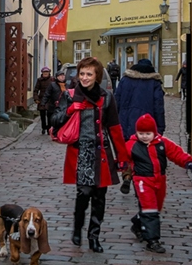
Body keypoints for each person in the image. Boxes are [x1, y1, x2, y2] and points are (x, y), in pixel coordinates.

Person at [50, 56, 131, 253]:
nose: (85, 78)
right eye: (82, 74)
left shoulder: (107, 97)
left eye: (89, 74)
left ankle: (94, 236)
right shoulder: (70, 95)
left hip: (101, 152)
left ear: (97, 76)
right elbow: (55, 119)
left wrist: (123, 158)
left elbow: (114, 128)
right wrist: (70, 109)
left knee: (99, 197)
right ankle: (77, 228)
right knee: (83, 193)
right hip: (80, 153)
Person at [123, 113, 192, 253]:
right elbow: (122, 156)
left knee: (155, 207)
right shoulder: (132, 145)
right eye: (141, 133)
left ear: (154, 132)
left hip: (159, 180)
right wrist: (119, 165)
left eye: (148, 133)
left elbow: (176, 153)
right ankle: (152, 240)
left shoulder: (162, 143)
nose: (144, 136)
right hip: (142, 180)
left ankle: (138, 223)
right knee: (150, 208)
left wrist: (187, 162)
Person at [114, 58, 165, 140]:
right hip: (147, 125)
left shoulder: (125, 80)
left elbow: (116, 102)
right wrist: (160, 128)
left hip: (125, 123)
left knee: (126, 148)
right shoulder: (154, 82)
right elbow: (158, 107)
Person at [33, 66, 55, 133]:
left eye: (47, 72)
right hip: (42, 98)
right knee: (42, 114)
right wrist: (36, 98)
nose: (45, 73)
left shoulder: (52, 79)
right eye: (44, 72)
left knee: (49, 114)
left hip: (50, 99)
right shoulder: (39, 80)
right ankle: (43, 127)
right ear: (42, 73)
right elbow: (36, 90)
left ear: (49, 73)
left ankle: (49, 128)